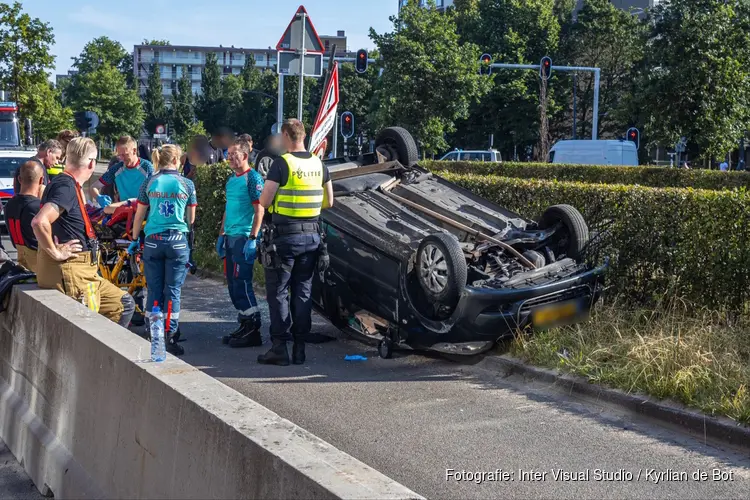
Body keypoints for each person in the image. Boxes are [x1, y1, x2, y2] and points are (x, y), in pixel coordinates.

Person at [31, 137, 135, 327]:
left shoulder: (67, 183)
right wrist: (55, 252)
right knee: (89, 325)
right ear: (91, 163)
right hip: (74, 273)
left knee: (123, 304)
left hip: (82, 271)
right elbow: (39, 221)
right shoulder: (66, 186)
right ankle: (98, 356)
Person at [256, 119, 334, 366]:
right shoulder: (318, 164)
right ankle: (300, 348)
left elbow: (265, 201)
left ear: (287, 136)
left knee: (278, 293)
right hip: (312, 237)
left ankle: (280, 348)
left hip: (285, 238)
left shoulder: (282, 164)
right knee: (303, 292)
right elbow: (329, 201)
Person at [129, 145, 197, 356]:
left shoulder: (149, 182)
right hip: (177, 241)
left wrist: (134, 239)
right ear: (177, 160)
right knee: (173, 291)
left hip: (152, 241)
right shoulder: (187, 183)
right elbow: (191, 219)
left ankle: (153, 333)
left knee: (155, 290)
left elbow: (139, 215)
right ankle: (170, 336)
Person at [217, 138, 265, 348]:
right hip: (230, 237)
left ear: (245, 156)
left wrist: (253, 238)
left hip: (244, 238)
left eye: (234, 155)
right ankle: (244, 322)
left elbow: (259, 209)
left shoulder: (252, 178)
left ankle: (254, 328)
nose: (230, 159)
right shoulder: (231, 180)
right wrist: (221, 234)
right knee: (232, 285)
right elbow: (228, 209)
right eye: (228, 155)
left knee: (242, 283)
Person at [90, 135, 154, 208]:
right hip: (124, 212)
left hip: (144, 212)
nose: (122, 158)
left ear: (134, 151)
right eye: (120, 155)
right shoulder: (117, 169)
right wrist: (99, 198)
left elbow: (155, 191)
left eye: (125, 155)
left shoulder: (147, 167)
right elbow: (93, 187)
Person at [4, 161, 44, 271]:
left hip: (21, 264)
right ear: (41, 180)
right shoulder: (38, 208)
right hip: (41, 267)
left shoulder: (9, 205)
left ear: (19, 179)